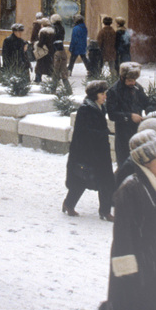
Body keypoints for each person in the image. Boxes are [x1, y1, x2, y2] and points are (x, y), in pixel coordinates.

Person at [92, 129, 156, 310]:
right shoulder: (130, 188)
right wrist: (127, 268)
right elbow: (122, 234)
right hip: (138, 259)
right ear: (145, 161)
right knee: (133, 306)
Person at [64, 80, 115, 220]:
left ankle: (105, 211)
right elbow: (84, 132)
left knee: (106, 180)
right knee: (82, 180)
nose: (105, 96)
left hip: (100, 151)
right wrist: (103, 133)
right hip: (87, 152)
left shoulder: (98, 107)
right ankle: (69, 204)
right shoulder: (86, 109)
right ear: (94, 95)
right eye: (102, 94)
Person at [107, 63, 150, 167]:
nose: (133, 82)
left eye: (134, 80)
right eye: (130, 80)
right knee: (124, 164)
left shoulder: (137, 87)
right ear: (122, 77)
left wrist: (150, 110)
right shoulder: (114, 91)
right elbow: (112, 115)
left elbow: (145, 102)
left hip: (137, 131)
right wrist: (130, 116)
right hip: (123, 134)